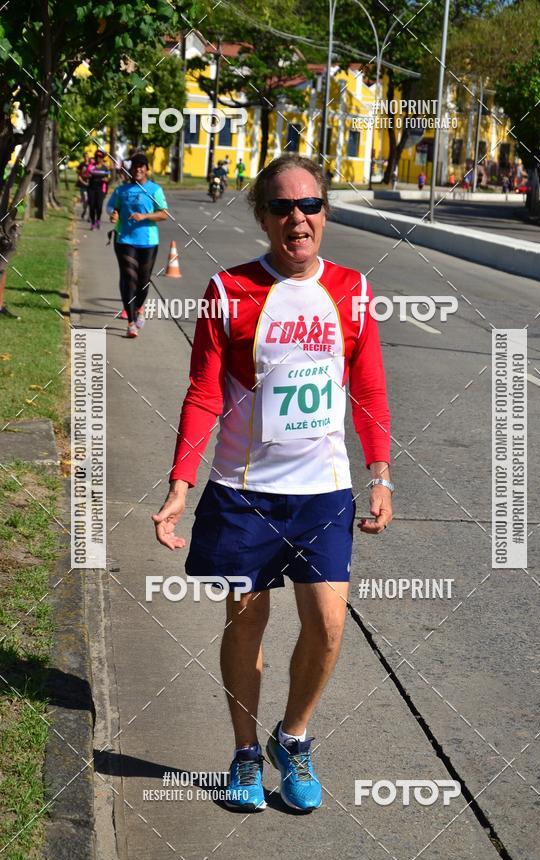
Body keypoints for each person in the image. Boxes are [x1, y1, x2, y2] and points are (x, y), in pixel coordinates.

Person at [152, 155, 393, 813]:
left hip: (324, 493)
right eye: (283, 206)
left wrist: (380, 474)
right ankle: (244, 752)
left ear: (325, 214)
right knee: (246, 622)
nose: (298, 218)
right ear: (262, 217)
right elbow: (203, 392)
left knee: (329, 623)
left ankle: (293, 737)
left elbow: (369, 390)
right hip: (244, 493)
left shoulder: (352, 290)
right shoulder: (229, 290)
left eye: (310, 204)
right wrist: (180, 484)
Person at [106, 152, 168, 338]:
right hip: (124, 239)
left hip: (148, 241)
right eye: (135, 166)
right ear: (131, 169)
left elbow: (163, 214)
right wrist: (114, 214)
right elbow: (111, 207)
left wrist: (145, 216)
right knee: (129, 278)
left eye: (141, 166)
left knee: (143, 281)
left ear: (147, 169)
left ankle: (139, 308)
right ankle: (131, 323)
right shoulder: (122, 190)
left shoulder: (155, 190)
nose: (138, 169)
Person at [87, 150, 111, 230]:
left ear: (102, 158)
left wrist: (106, 180)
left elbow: (109, 178)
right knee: (92, 206)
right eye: (96, 157)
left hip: (101, 189)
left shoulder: (105, 168)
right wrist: (88, 176)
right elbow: (86, 175)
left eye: (100, 157)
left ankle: (98, 219)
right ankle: (93, 223)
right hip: (91, 188)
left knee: (99, 206)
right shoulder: (91, 166)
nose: (98, 158)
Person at [76, 153, 90, 219]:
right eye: (85, 157)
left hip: (90, 185)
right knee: (84, 199)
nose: (86, 158)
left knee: (89, 200)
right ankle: (85, 210)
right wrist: (83, 182)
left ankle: (90, 214)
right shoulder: (81, 165)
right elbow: (78, 175)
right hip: (83, 185)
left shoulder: (92, 164)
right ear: (83, 157)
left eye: (87, 157)